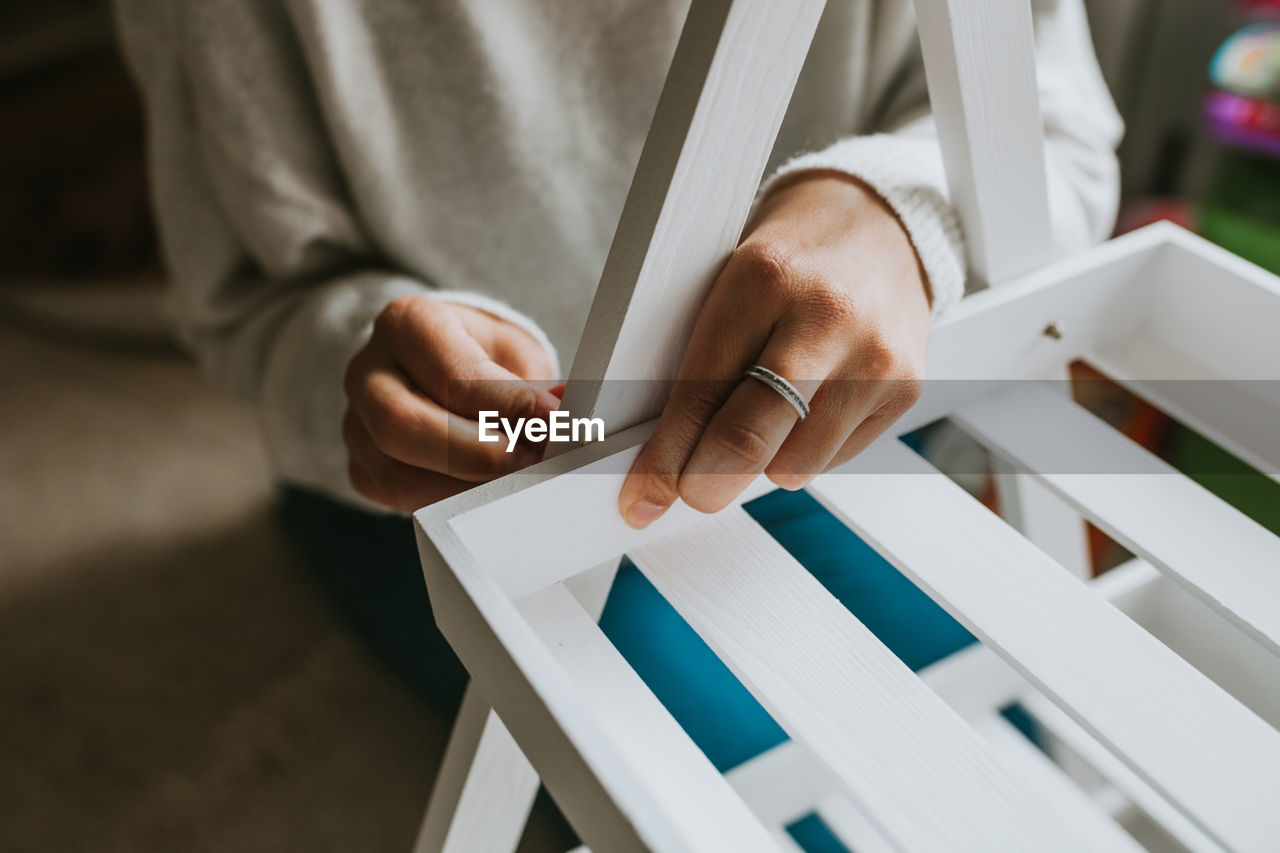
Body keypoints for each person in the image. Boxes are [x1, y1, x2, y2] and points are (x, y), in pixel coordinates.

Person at [115, 0, 1121, 840]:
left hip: (835, 445)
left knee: (1016, 778)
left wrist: (899, 213)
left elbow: (1061, 132)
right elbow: (243, 303)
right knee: (767, 815)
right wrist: (364, 368)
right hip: (465, 494)